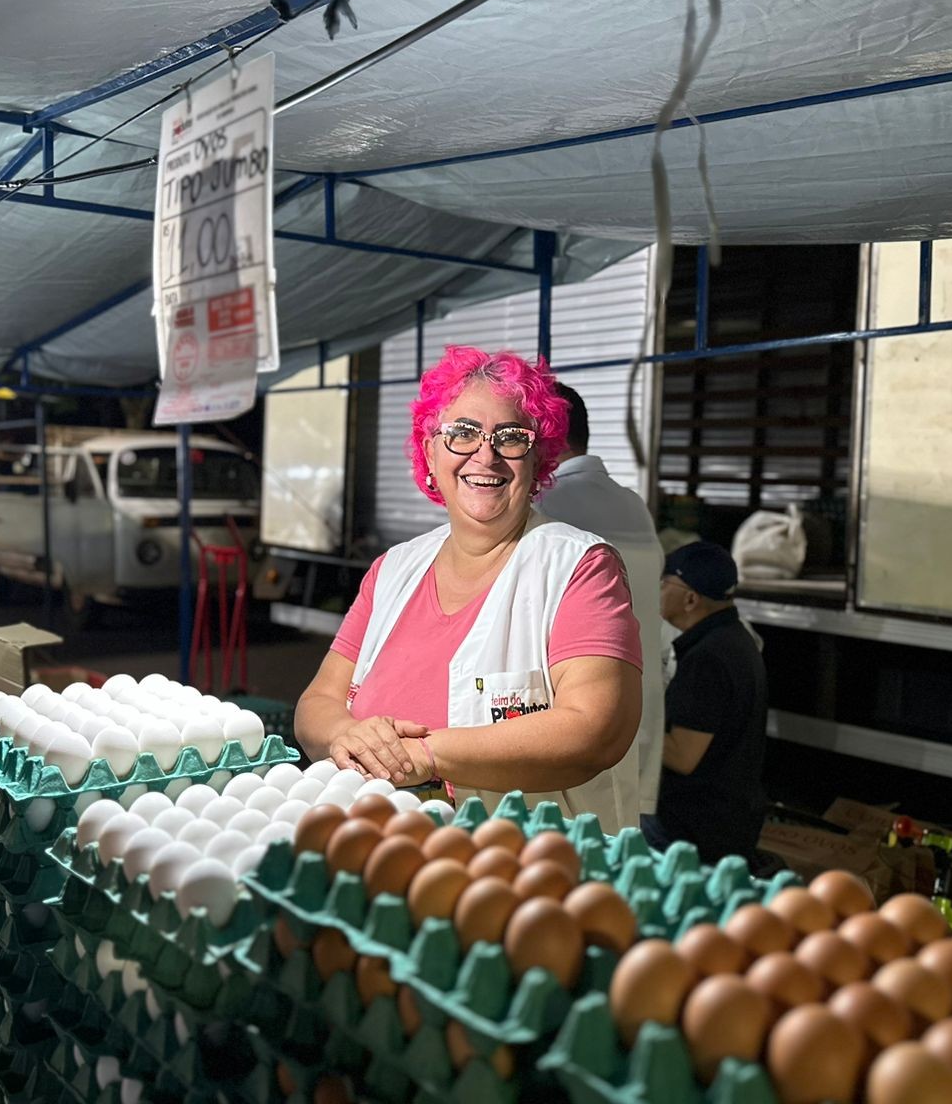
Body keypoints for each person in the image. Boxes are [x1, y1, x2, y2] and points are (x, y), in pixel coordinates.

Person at [295, 346, 644, 832]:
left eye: (510, 437)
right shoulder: (394, 569)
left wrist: (425, 755)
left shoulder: (579, 568)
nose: (486, 455)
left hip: (519, 866)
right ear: (429, 451)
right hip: (381, 847)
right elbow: (315, 706)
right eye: (462, 434)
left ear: (538, 456)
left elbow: (595, 730)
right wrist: (347, 735)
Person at [540, 383, 666, 822]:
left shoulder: (548, 505)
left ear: (547, 435)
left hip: (574, 725)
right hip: (637, 716)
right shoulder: (631, 504)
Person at [650, 540, 769, 863]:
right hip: (730, 819)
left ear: (690, 599)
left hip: (695, 830)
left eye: (665, 583)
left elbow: (683, 756)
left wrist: (625, 728)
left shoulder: (708, 659)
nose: (658, 590)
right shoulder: (734, 639)